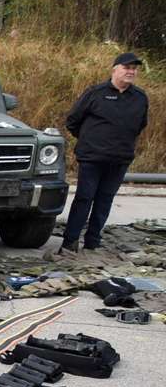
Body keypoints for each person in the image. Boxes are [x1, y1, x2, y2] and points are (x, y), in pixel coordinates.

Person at [57, 52, 150, 254]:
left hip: (120, 159)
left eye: (134, 68)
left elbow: (140, 125)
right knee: (84, 197)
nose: (131, 71)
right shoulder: (95, 93)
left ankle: (93, 242)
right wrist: (90, 140)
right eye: (127, 67)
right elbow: (73, 121)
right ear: (115, 69)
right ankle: (70, 241)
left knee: (105, 200)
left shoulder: (140, 97)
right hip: (92, 157)